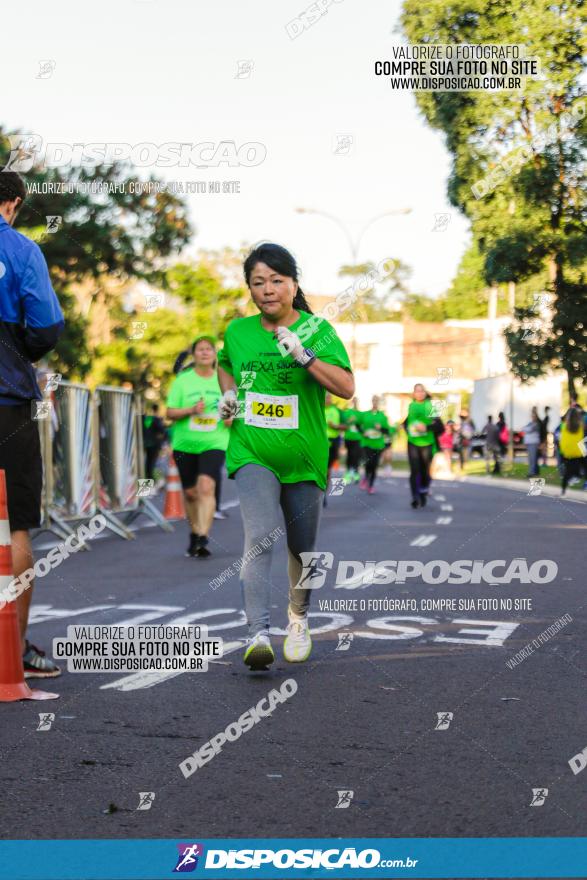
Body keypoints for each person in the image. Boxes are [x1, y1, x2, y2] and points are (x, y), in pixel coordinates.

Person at [216, 243, 354, 671]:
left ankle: (299, 618)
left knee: (303, 549)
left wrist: (303, 355)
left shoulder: (318, 330)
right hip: (252, 450)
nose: (268, 290)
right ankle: (258, 633)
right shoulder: (238, 332)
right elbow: (225, 363)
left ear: (294, 284)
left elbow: (347, 388)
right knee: (258, 537)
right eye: (259, 283)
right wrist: (228, 392)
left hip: (305, 456)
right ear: (250, 289)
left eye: (277, 281)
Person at [0, 167, 65, 677]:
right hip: (6, 400)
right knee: (16, 523)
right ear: (14, 203)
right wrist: (19, 352)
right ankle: (13, 651)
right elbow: (46, 325)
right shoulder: (21, 251)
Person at [166, 336, 231, 558]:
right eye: (200, 349)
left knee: (206, 486)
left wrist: (230, 417)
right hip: (185, 444)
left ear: (214, 355)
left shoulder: (223, 380)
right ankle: (194, 533)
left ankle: (204, 535)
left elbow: (233, 409)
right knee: (191, 493)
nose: (204, 353)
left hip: (215, 441)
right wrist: (191, 410)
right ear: (194, 355)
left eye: (208, 349)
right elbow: (170, 413)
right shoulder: (183, 381)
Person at [405, 384, 436, 508]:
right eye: (417, 391)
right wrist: (407, 429)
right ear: (413, 393)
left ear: (425, 392)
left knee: (425, 471)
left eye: (421, 391)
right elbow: (406, 422)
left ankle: (423, 491)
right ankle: (415, 497)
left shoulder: (431, 405)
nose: (419, 393)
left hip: (427, 443)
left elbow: (439, 425)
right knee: (414, 470)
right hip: (413, 442)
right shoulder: (411, 406)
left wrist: (426, 427)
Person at [358, 395, 390, 494]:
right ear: (371, 401)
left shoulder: (382, 416)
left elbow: (387, 431)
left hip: (378, 444)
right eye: (374, 400)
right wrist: (363, 432)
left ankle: (371, 485)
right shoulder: (365, 414)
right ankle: (366, 477)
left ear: (379, 402)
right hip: (367, 442)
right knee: (368, 463)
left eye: (377, 401)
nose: (375, 402)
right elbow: (357, 425)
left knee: (375, 464)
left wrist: (380, 428)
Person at [559, 408, 585, 494]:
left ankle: (563, 491)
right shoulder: (580, 428)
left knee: (567, 472)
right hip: (578, 452)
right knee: (584, 467)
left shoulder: (563, 426)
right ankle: (577, 477)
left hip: (567, 453)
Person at [324, 393, 342, 504]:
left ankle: (323, 494)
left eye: (329, 398)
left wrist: (336, 426)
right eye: (326, 398)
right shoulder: (318, 409)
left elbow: (346, 426)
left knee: (328, 470)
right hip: (320, 441)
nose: (327, 400)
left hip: (332, 441)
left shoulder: (336, 411)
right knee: (321, 469)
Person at [142, 403, 166, 481]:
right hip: (154, 443)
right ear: (157, 409)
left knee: (147, 460)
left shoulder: (144, 418)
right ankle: (149, 478)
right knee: (151, 461)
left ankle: (147, 477)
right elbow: (162, 430)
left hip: (144, 443)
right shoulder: (156, 419)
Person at [341, 397, 362, 484]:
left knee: (356, 455)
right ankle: (348, 473)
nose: (355, 403)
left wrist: (357, 423)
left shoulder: (360, 414)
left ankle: (356, 473)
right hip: (348, 437)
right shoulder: (347, 412)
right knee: (349, 455)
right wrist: (349, 421)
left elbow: (362, 426)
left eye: (356, 401)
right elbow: (343, 424)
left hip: (357, 438)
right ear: (352, 402)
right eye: (354, 401)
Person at [522, 409, 542, 477]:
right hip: (529, 443)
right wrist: (525, 428)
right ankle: (534, 471)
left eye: (534, 416)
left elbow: (528, 429)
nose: (532, 418)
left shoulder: (536, 424)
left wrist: (525, 429)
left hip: (533, 443)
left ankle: (532, 472)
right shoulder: (530, 423)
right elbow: (523, 428)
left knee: (533, 458)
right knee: (531, 458)